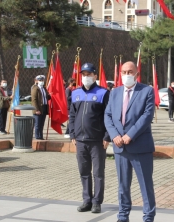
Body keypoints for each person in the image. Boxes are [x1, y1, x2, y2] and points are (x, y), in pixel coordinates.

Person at [104, 61, 156, 222]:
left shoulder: (147, 91)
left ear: (137, 74)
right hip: (120, 147)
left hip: (140, 146)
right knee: (123, 186)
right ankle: (123, 215)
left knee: (145, 185)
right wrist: (114, 135)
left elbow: (146, 116)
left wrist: (130, 135)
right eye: (124, 72)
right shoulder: (114, 92)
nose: (127, 75)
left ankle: (148, 216)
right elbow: (108, 115)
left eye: (130, 72)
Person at [69, 63, 110, 214]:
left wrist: (107, 136)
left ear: (95, 76)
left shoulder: (103, 93)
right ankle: (87, 200)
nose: (86, 77)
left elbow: (108, 116)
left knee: (98, 172)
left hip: (97, 140)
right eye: (84, 74)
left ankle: (97, 202)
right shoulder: (75, 93)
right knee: (84, 171)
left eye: (89, 74)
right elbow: (72, 115)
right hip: (80, 140)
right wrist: (72, 133)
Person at [31, 75, 51, 140]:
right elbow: (34, 100)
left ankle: (41, 136)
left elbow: (46, 97)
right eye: (40, 80)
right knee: (37, 124)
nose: (41, 81)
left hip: (44, 107)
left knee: (42, 124)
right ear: (37, 81)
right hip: (38, 108)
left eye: (42, 80)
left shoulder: (44, 88)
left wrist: (50, 96)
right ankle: (37, 137)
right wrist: (36, 109)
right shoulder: (35, 88)